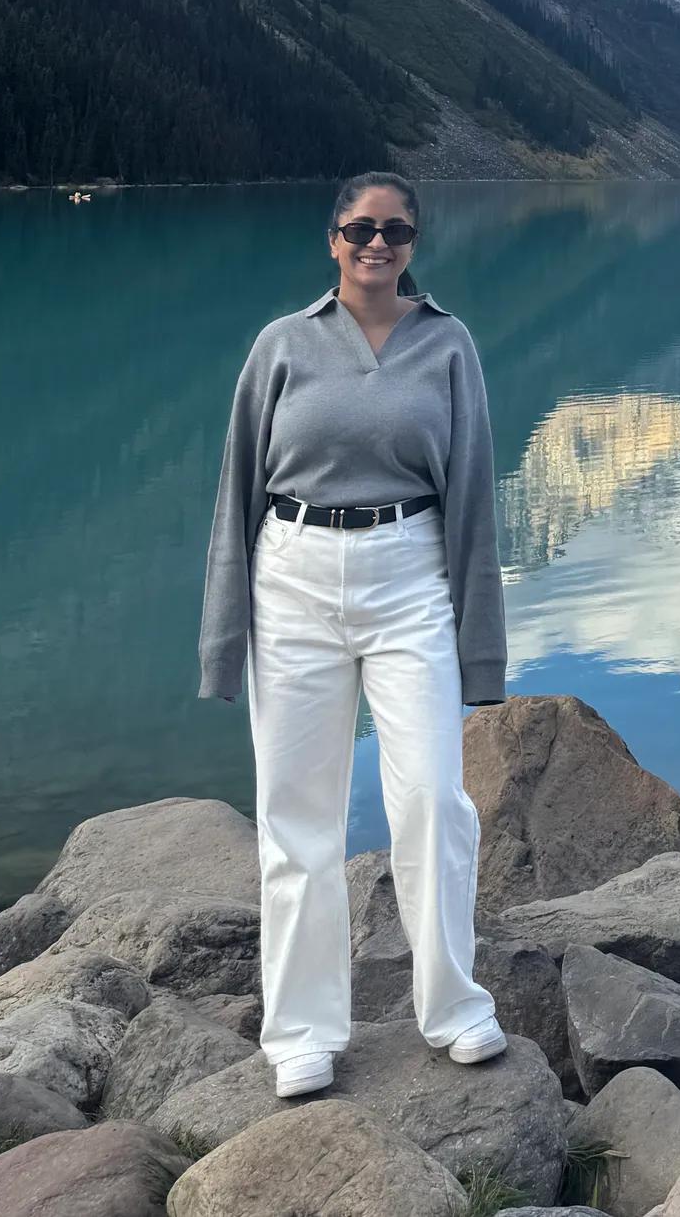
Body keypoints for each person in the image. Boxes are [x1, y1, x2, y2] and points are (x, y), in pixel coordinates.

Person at [197, 172, 510, 1099]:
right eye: (361, 229)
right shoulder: (281, 344)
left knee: (434, 799)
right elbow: (236, 491)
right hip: (291, 574)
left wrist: (481, 649)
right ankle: (301, 1031)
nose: (378, 244)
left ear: (415, 243)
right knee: (297, 811)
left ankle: (453, 1008)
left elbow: (473, 494)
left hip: (410, 571)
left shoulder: (448, 343)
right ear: (332, 238)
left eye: (396, 230)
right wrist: (223, 640)